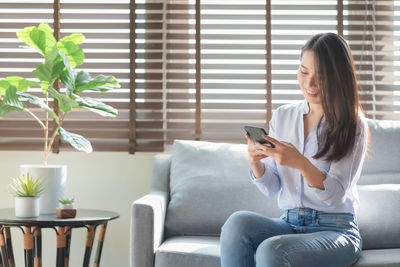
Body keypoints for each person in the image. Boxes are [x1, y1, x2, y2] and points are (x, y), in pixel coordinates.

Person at [220, 32, 369, 267]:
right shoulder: (283, 116)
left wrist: (300, 163)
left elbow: (335, 195)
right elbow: (272, 187)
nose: (309, 84)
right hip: (289, 223)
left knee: (272, 250)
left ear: (339, 77)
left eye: (321, 77)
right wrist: (255, 162)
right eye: (303, 72)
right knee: (237, 224)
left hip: (336, 230)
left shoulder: (353, 124)